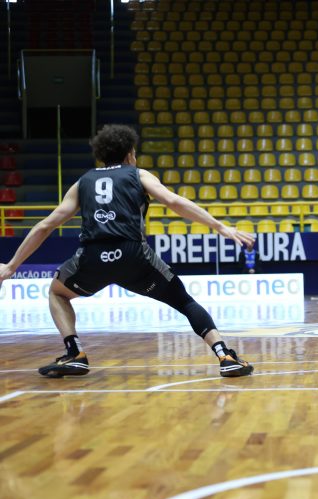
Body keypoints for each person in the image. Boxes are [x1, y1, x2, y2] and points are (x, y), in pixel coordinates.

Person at [0, 125, 256, 378]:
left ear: (101, 155)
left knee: (57, 293)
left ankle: (75, 352)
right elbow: (174, 201)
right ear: (130, 154)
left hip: (93, 257)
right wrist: (221, 227)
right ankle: (224, 355)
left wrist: (11, 267)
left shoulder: (83, 182)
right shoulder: (138, 175)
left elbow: (46, 226)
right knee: (184, 301)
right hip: (133, 255)